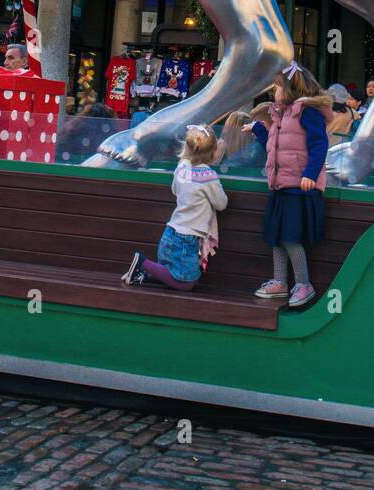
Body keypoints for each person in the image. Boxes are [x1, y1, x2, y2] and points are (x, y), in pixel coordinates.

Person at [246, 62, 331, 309]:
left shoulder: (307, 112)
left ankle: (304, 283)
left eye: (278, 86)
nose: (274, 91)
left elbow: (319, 145)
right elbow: (275, 148)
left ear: (291, 88)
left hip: (298, 187)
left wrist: (311, 174)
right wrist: (259, 130)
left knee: (291, 237)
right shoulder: (281, 114)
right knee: (276, 236)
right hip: (281, 186)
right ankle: (280, 281)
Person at [122, 125, 228, 291]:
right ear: (213, 152)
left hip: (171, 233)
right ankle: (142, 263)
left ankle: (142, 276)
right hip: (186, 240)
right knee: (187, 283)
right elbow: (222, 204)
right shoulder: (209, 176)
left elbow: (175, 190)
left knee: (171, 276)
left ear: (187, 147)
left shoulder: (182, 168)